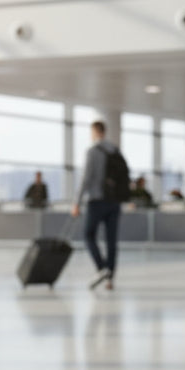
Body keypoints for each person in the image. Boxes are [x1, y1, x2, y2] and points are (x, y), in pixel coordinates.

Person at [71, 120, 124, 290]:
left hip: (96, 201)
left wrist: (77, 202)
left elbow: (86, 178)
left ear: (94, 132)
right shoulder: (115, 150)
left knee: (88, 235)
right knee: (111, 240)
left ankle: (101, 268)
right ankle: (110, 279)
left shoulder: (93, 151)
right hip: (114, 202)